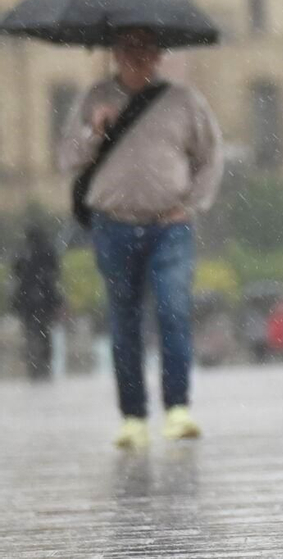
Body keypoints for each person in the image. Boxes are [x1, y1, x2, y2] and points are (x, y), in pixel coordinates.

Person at [56, 27, 223, 450]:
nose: (138, 57)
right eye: (129, 48)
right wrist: (95, 130)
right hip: (112, 225)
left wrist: (192, 204)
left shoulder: (184, 101)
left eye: (147, 49)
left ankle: (177, 408)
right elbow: (67, 158)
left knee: (173, 311)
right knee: (124, 320)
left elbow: (211, 156)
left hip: (170, 226)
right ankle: (132, 416)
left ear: (159, 54)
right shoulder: (94, 98)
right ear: (115, 53)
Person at [10, 225, 63, 381]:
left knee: (31, 331)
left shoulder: (23, 252)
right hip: (45, 298)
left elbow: (16, 272)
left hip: (27, 299)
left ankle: (34, 360)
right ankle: (44, 360)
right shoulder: (48, 250)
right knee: (44, 330)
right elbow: (56, 271)